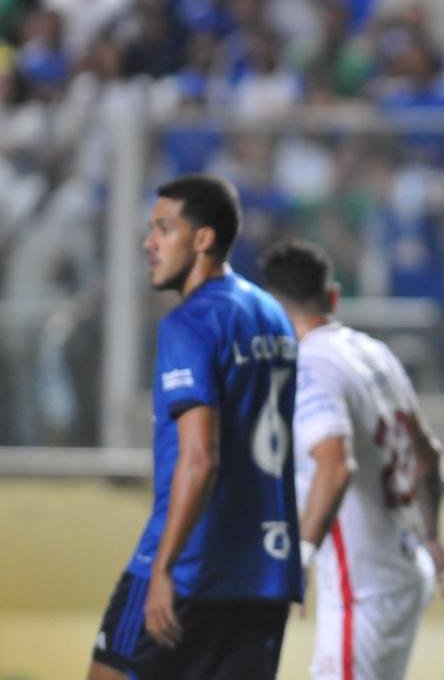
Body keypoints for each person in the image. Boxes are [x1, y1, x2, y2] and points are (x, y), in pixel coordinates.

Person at [88, 175, 303, 679]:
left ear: (202, 239)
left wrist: (163, 567)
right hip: (264, 572)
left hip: (193, 564)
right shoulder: (271, 314)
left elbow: (200, 457)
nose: (150, 242)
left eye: (164, 228)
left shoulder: (189, 323)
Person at [260, 239, 444, 679]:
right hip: (403, 567)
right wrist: (432, 535)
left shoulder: (309, 365)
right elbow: (427, 454)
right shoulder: (373, 352)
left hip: (363, 586)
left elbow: (335, 463)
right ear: (332, 298)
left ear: (270, 312)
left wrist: (300, 557)